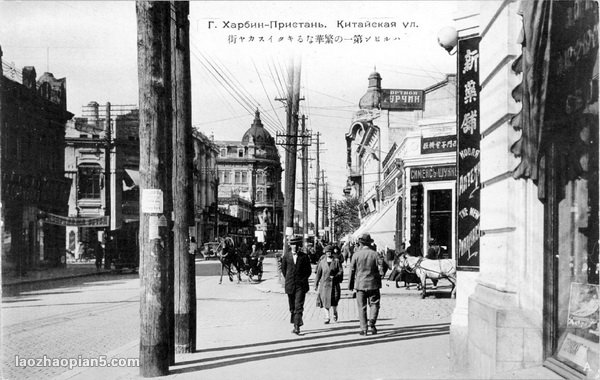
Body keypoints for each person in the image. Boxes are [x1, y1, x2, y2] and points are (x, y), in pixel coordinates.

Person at [348, 233, 382, 336]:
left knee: (361, 307)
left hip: (360, 284)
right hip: (373, 284)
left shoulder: (356, 254)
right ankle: (372, 321)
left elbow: (352, 270)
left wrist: (350, 285)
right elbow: (382, 267)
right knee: (374, 303)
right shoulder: (375, 254)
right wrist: (380, 276)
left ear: (361, 243)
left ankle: (363, 329)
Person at [281, 236, 312, 335]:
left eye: (296, 244)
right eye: (292, 244)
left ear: (299, 246)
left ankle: (297, 326)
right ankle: (296, 321)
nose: (294, 246)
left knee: (299, 306)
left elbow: (308, 271)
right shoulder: (286, 256)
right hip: (290, 284)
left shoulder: (304, 256)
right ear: (290, 245)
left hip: (301, 285)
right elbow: (284, 270)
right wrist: (289, 279)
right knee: (292, 307)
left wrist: (302, 279)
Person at [314, 245, 344, 324]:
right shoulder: (322, 262)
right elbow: (318, 274)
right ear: (325, 253)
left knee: (334, 300)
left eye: (330, 252)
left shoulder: (336, 261)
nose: (328, 254)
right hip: (324, 285)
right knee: (325, 300)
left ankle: (335, 312)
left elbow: (341, 271)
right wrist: (316, 284)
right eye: (327, 252)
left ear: (332, 252)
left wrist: (336, 276)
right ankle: (327, 317)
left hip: (334, 284)